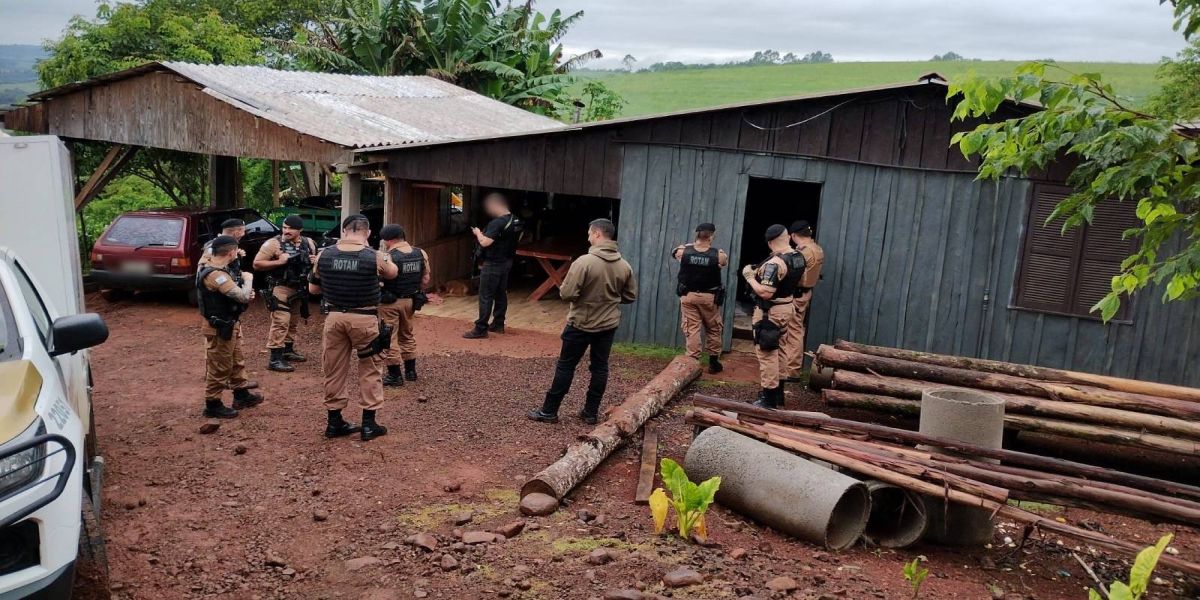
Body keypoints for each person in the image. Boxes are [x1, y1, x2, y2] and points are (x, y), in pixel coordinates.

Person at [527, 219, 637, 425]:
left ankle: (549, 411)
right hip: (608, 325)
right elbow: (630, 296)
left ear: (597, 234)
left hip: (580, 323)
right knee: (600, 367)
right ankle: (590, 412)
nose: (587, 237)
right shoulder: (624, 266)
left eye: (589, 233)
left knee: (566, 366)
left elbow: (567, 294)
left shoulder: (584, 262)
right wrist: (609, 299)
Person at [308, 214, 398, 441]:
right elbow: (393, 273)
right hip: (364, 318)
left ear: (344, 231)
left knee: (334, 369)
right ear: (368, 233)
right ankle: (369, 425)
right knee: (370, 368)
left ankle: (334, 422)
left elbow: (313, 290)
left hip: (334, 318)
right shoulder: (373, 256)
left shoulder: (324, 255)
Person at [196, 235, 263, 418]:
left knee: (236, 360)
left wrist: (243, 290)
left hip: (229, 323)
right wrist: (248, 281)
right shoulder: (214, 274)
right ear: (231, 252)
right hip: (219, 327)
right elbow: (241, 296)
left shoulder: (219, 268)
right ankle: (213, 404)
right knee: (220, 366)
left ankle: (241, 395)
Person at [741, 224, 805, 409]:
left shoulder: (774, 264)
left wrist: (749, 277)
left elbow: (766, 292)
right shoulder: (797, 257)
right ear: (787, 237)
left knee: (767, 353)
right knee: (782, 349)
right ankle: (778, 395)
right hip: (787, 308)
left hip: (771, 312)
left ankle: (768, 399)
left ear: (770, 243)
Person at [254, 215, 317, 372]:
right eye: (284, 227)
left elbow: (312, 264)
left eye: (290, 228)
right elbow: (257, 264)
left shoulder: (308, 243)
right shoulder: (274, 243)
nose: (286, 231)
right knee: (281, 321)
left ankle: (288, 350)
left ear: (299, 230)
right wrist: (279, 261)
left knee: (294, 320)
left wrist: (314, 260)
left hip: (299, 287)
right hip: (281, 286)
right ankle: (275, 358)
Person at [671, 223, 728, 374]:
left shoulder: (683, 252)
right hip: (709, 298)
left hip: (688, 296)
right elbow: (723, 262)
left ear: (696, 235)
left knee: (692, 328)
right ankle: (713, 363)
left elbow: (674, 252)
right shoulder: (719, 254)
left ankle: (692, 362)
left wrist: (691, 245)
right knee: (714, 328)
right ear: (712, 236)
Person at [378, 224, 430, 386]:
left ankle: (395, 375)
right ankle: (411, 372)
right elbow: (426, 279)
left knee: (389, 337)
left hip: (390, 302)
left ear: (389, 240)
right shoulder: (420, 253)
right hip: (410, 301)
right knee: (407, 334)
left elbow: (380, 280)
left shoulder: (388, 256)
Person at [464, 192, 522, 338]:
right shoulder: (516, 221)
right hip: (507, 261)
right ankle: (498, 323)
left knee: (486, 295)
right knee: (500, 293)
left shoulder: (497, 223)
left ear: (496, 206)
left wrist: (478, 233)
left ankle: (480, 328)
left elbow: (485, 242)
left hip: (494, 262)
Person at [779, 220, 825, 382]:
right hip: (804, 293)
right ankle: (790, 368)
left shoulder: (804, 252)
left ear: (793, 235)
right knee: (795, 330)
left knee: (792, 332)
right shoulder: (816, 248)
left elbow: (789, 271)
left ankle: (791, 370)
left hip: (796, 295)